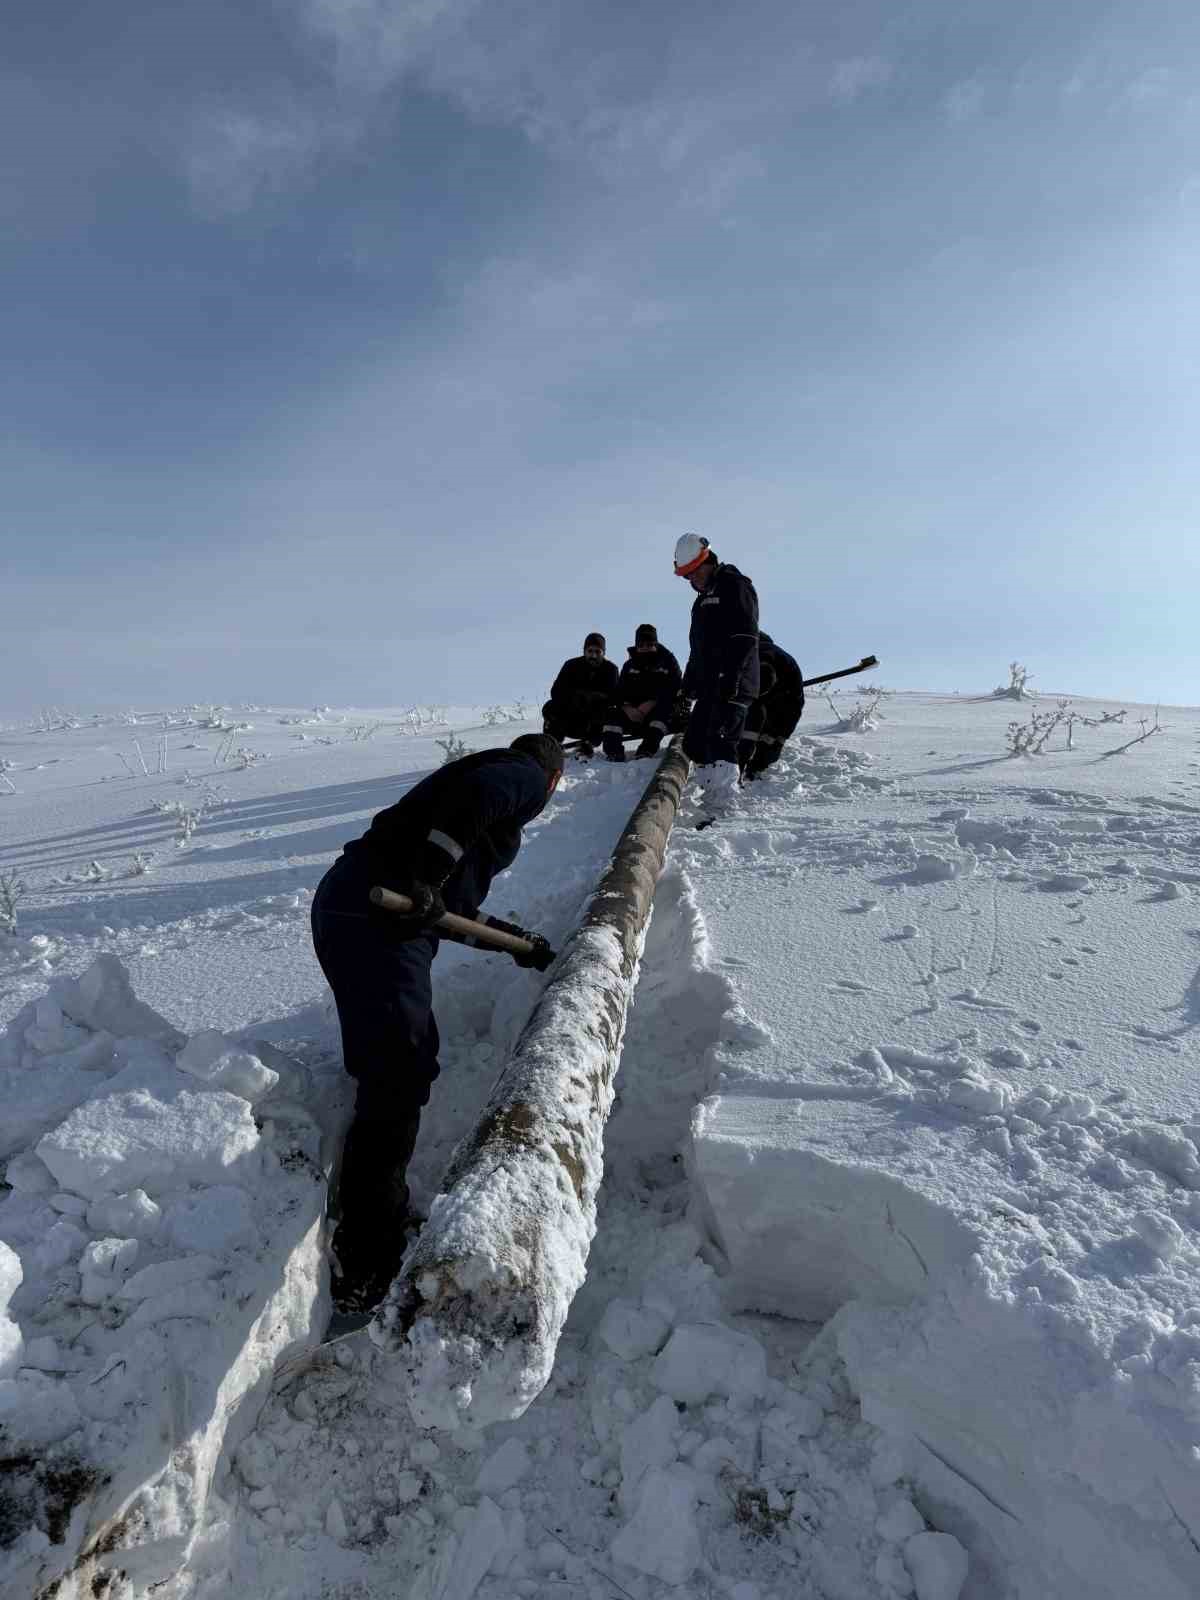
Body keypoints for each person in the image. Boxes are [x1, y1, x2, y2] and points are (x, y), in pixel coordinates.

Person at [310, 733, 564, 1313]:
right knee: (398, 1067)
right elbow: (469, 811)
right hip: (373, 914)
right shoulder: (518, 775)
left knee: (394, 1063)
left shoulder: (444, 824)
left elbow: (438, 905)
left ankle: (373, 1218)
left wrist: (514, 943)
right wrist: (428, 874)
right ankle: (366, 1255)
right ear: (553, 781)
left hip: (363, 906)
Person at [673, 533, 759, 811]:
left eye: (693, 573)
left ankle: (724, 809)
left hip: (734, 683)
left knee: (721, 743)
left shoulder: (735, 586)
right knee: (695, 743)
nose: (691, 581)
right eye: (686, 577)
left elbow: (745, 635)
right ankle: (712, 799)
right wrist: (686, 690)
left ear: (707, 561)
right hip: (710, 687)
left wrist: (732, 676)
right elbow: (696, 652)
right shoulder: (700, 604)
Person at [601, 623, 684, 761]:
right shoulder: (629, 665)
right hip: (633, 713)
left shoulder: (668, 662)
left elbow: (675, 689)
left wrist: (652, 702)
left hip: (659, 712)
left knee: (664, 711)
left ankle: (646, 751)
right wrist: (626, 707)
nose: (645, 648)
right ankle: (614, 753)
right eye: (641, 645)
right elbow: (618, 693)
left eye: (649, 644)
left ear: (655, 644)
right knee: (611, 714)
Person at [542, 632, 620, 756]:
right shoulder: (570, 665)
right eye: (590, 651)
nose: (593, 655)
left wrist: (592, 697)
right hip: (572, 716)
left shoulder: (611, 669)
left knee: (609, 712)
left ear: (603, 652)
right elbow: (556, 692)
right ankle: (552, 744)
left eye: (597, 652)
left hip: (594, 721)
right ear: (584, 651)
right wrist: (575, 697)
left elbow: (614, 698)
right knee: (550, 707)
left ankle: (589, 744)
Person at [740, 632, 805, 779]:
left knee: (761, 733)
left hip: (780, 699)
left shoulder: (752, 656)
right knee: (769, 737)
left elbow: (794, 708)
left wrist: (781, 737)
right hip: (779, 697)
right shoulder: (786, 661)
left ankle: (746, 768)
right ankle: (754, 767)